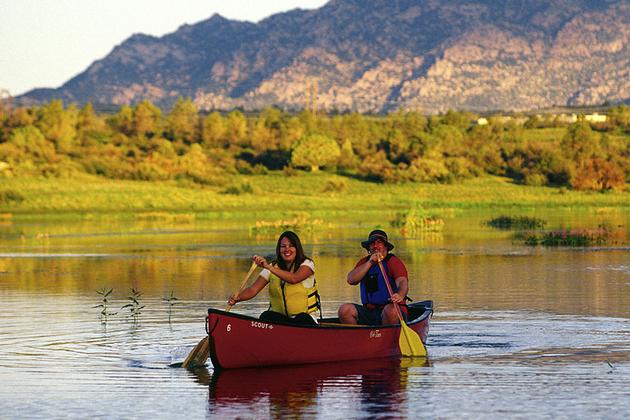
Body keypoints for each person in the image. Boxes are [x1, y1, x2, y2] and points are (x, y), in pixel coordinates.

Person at [227, 230, 321, 325]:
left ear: (297, 248)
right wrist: (237, 298)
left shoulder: (307, 264)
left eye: (291, 246)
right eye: (283, 246)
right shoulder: (273, 267)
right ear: (279, 249)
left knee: (302, 318)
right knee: (266, 316)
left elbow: (294, 279)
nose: (287, 249)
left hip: (305, 319)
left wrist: (268, 266)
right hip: (283, 320)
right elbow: (253, 290)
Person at [338, 229, 409, 325]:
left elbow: (402, 281)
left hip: (391, 310)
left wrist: (400, 294)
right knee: (344, 310)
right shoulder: (365, 262)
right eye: (372, 243)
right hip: (369, 311)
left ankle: (386, 337)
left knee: (390, 310)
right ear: (368, 247)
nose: (375, 246)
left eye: (379, 243)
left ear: (386, 246)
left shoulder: (392, 261)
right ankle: (357, 337)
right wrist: (370, 262)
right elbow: (351, 280)